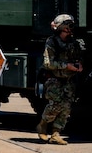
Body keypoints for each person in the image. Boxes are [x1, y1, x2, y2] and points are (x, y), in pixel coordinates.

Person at [36, 14, 84, 145]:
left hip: (68, 79)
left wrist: (78, 65)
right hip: (54, 78)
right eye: (67, 28)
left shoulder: (73, 43)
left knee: (66, 107)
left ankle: (56, 133)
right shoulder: (52, 42)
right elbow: (48, 63)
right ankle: (42, 125)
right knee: (55, 105)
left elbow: (77, 57)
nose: (69, 30)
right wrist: (66, 66)